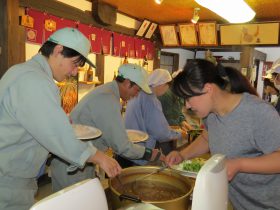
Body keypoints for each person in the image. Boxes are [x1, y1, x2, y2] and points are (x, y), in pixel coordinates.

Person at [0, 27, 122, 210]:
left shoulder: (22, 72)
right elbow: (56, 135)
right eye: (74, 63)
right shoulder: (34, 80)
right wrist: (99, 157)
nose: (74, 72)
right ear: (58, 51)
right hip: (8, 182)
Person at [165, 59, 280, 210]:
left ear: (208, 89)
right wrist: (183, 155)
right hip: (238, 203)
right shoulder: (210, 114)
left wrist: (239, 164)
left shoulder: (258, 112)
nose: (187, 105)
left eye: (188, 98)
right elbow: (207, 137)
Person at [50, 63, 163, 191]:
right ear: (127, 83)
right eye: (137, 90)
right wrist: (149, 153)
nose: (136, 95)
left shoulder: (107, 92)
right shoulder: (107, 98)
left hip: (79, 160)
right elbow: (121, 146)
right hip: (72, 166)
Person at [123, 69, 183, 166]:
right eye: (167, 86)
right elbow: (161, 133)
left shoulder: (138, 93)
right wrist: (179, 134)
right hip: (141, 150)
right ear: (161, 84)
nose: (166, 90)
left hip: (129, 147)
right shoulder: (150, 99)